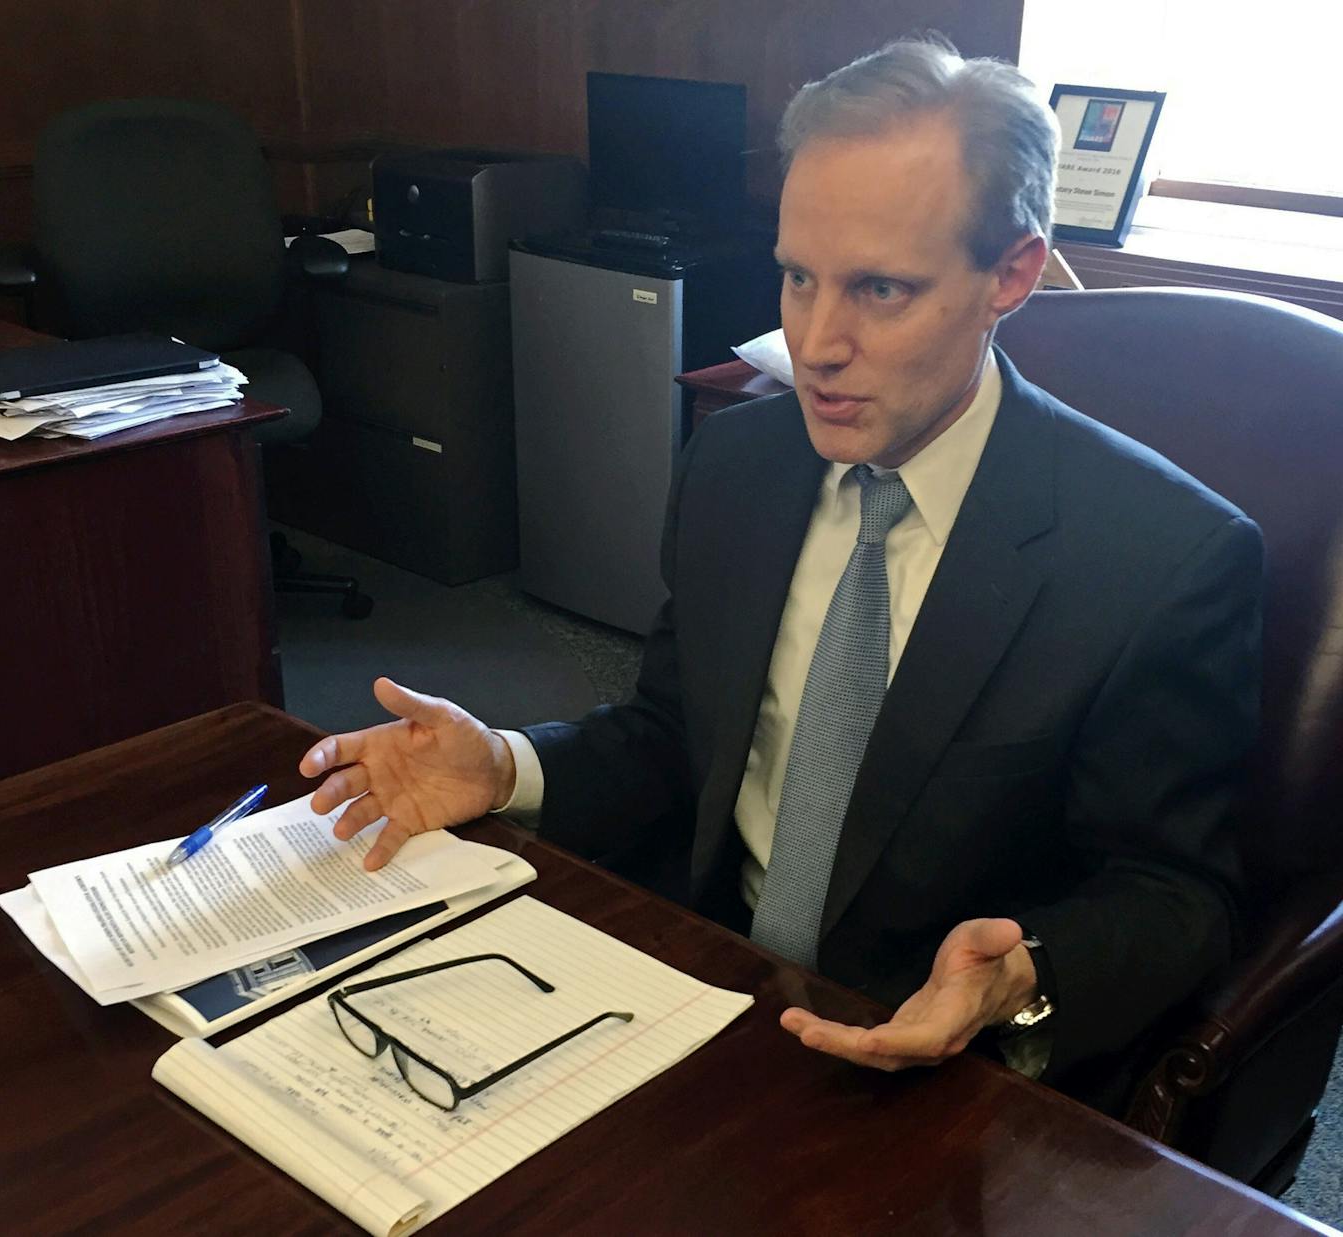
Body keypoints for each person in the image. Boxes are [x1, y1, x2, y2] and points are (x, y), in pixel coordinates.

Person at [298, 38, 1262, 1106]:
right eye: (797, 277)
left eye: (879, 290)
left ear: (1011, 275)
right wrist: (508, 767)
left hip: (931, 1058)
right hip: (696, 980)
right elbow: (677, 739)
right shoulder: (735, 462)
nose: (814, 341)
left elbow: (1175, 894)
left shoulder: (1160, 559)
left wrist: (1020, 981)